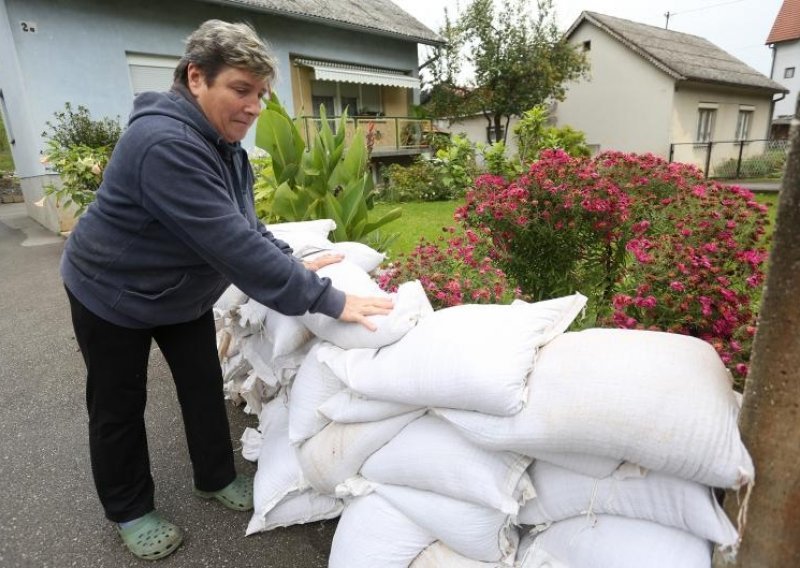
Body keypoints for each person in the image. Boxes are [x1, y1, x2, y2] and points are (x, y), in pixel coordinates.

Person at [61, 19, 392, 561]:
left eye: (260, 94)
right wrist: (329, 298)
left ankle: (213, 475)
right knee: (118, 403)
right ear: (196, 77)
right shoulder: (163, 143)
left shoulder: (222, 142)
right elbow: (234, 248)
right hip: (112, 291)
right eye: (241, 89)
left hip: (178, 291)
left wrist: (294, 257)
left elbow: (244, 224)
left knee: (199, 383)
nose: (255, 105)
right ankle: (128, 507)